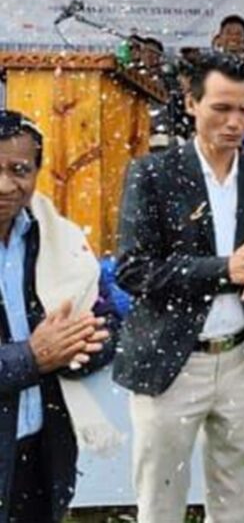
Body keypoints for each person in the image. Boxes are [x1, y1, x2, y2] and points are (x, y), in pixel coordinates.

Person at [114, 54, 244, 523]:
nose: (235, 122)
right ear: (191, 104)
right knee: (160, 497)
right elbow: (133, 270)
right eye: (222, 108)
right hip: (170, 356)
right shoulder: (152, 174)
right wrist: (224, 270)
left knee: (237, 493)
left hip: (242, 357)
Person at [0, 111, 116, 523]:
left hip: (41, 449)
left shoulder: (56, 237)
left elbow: (105, 319)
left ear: (36, 172)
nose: (5, 185)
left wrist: (83, 344)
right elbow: (38, 353)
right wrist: (31, 358)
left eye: (19, 170)